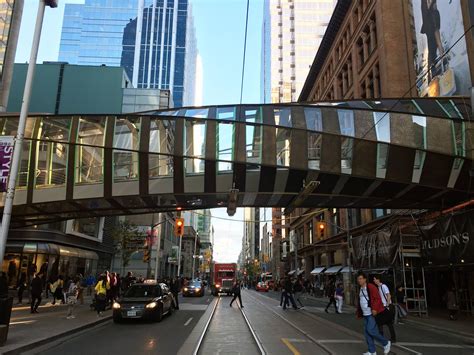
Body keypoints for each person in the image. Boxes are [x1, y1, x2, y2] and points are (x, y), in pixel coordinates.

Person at [356, 272, 391, 355]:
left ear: (365, 279)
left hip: (371, 313)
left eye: (360, 278)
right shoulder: (361, 288)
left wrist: (374, 309)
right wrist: (359, 312)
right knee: (367, 333)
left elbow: (377, 298)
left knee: (371, 330)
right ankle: (372, 351)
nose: (359, 280)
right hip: (365, 314)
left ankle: (386, 343)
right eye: (358, 279)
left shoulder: (370, 286)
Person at [420, 0, 444, 79]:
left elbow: (433, 7)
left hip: (433, 20)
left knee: (437, 43)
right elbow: (426, 11)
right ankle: (435, 69)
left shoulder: (428, 4)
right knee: (433, 47)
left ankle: (442, 61)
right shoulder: (424, 3)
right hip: (430, 24)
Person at [373, 275, 396, 343]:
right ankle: (386, 337)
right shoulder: (379, 287)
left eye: (374, 279)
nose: (374, 280)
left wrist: (387, 305)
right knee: (383, 322)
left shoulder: (383, 286)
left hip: (386, 307)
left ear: (378, 279)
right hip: (383, 307)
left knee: (384, 323)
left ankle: (390, 338)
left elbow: (388, 295)